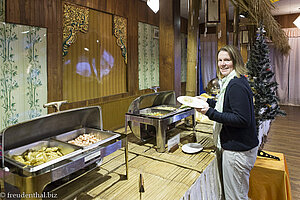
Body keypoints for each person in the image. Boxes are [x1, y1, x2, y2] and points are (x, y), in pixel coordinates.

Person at [196, 45, 259, 200]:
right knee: (238, 193)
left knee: (235, 197)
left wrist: (209, 113)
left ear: (235, 61)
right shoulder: (234, 80)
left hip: (238, 151)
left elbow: (242, 119)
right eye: (220, 60)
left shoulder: (235, 85)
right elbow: (226, 104)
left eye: (227, 60)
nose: (222, 64)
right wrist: (208, 101)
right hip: (241, 148)